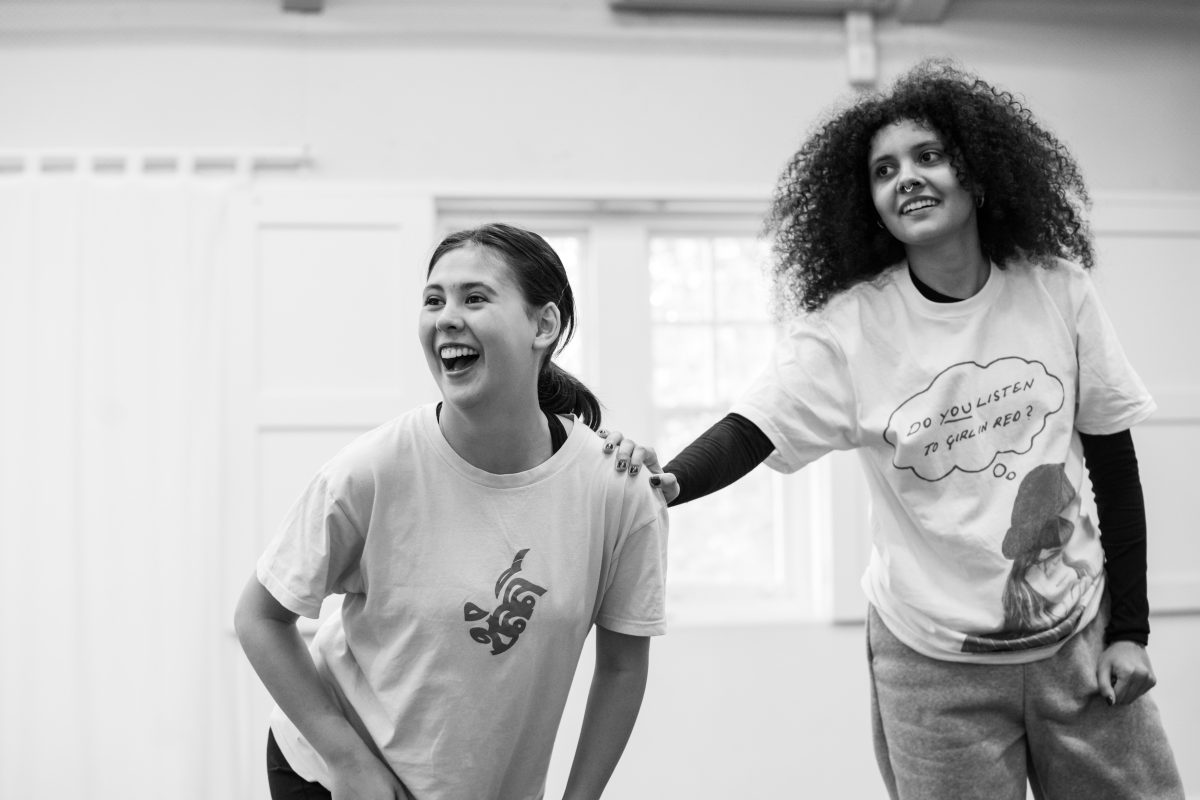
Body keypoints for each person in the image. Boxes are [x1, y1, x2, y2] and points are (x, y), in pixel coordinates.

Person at [604, 60, 1183, 799]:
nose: (905, 177)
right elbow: (752, 428)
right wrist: (669, 482)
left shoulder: (1055, 288)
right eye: (884, 170)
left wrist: (1130, 627)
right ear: (868, 204)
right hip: (932, 665)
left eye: (928, 157)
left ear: (977, 175)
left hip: (1079, 635)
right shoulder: (849, 330)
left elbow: (1113, 461)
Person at [235, 223, 668, 800]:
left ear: (544, 325)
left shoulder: (619, 491)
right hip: (332, 769)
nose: (446, 317)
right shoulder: (372, 470)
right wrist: (349, 764)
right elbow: (259, 618)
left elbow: (621, 667)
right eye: (434, 299)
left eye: (475, 297)